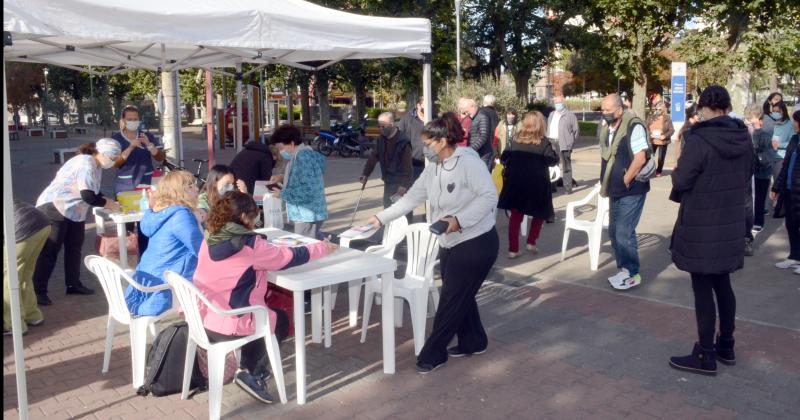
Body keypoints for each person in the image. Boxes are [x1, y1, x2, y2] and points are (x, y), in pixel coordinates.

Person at [366, 118, 499, 374]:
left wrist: (458, 220)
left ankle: (432, 354)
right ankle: (474, 341)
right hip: (449, 241)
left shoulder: (468, 163)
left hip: (477, 242)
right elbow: (413, 198)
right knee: (460, 294)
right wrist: (380, 218)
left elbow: (488, 197)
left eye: (428, 143)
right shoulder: (434, 166)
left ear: (443, 140)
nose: (424, 148)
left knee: (450, 299)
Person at [193, 191, 335, 403]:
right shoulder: (249, 245)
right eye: (253, 216)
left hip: (203, 318)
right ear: (243, 218)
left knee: (263, 313)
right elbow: (287, 257)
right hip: (231, 323)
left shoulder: (209, 237)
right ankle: (250, 371)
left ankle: (250, 364)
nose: (255, 221)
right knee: (279, 319)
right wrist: (323, 247)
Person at [668, 85, 753, 376]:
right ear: (727, 108)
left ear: (703, 107)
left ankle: (705, 354)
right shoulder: (744, 136)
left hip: (703, 225)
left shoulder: (699, 138)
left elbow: (680, 180)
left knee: (703, 287)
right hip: (730, 221)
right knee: (723, 284)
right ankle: (726, 344)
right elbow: (747, 174)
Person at [33, 139, 122, 305]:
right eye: (113, 157)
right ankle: (38, 290)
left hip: (74, 211)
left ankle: (73, 283)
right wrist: (109, 204)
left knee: (74, 248)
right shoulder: (85, 163)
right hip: (55, 206)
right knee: (51, 250)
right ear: (102, 153)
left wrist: (109, 201)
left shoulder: (97, 166)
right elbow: (88, 195)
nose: (115, 161)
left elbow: (95, 191)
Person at [124, 171, 203, 316]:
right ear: (179, 192)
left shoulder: (159, 213)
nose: (197, 189)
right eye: (191, 186)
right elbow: (202, 250)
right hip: (162, 292)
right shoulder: (181, 216)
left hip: (142, 288)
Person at [598, 94, 650, 291]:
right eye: (602, 110)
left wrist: (626, 178)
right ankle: (623, 269)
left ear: (619, 110)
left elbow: (640, 158)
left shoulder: (633, 126)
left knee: (624, 232)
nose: (605, 114)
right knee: (614, 231)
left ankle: (632, 271)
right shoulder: (608, 129)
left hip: (632, 189)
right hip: (614, 189)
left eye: (608, 110)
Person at [498, 111, 559, 258]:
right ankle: (531, 241)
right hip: (537, 184)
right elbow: (552, 160)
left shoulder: (515, 139)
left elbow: (504, 158)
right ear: (540, 125)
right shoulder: (544, 142)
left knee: (516, 216)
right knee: (540, 212)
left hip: (516, 182)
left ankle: (513, 249)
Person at [112, 105, 166, 256]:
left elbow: (160, 158)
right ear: (123, 120)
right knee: (127, 228)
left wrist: (149, 145)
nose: (133, 122)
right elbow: (115, 163)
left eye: (135, 119)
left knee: (146, 227)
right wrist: (130, 147)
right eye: (129, 119)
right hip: (125, 188)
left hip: (145, 186)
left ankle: (144, 259)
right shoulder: (116, 139)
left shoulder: (147, 136)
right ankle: (127, 260)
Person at [270, 125, 328, 239]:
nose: (281, 152)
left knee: (306, 248)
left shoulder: (302, 158)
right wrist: (282, 177)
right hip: (312, 213)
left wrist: (282, 194)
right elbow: (305, 178)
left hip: (307, 214)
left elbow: (307, 190)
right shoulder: (307, 153)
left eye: (281, 148)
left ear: (291, 143)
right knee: (314, 242)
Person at [4, 200, 51, 335]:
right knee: (25, 273)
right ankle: (32, 315)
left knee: (9, 278)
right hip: (42, 224)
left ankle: (14, 324)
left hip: (22, 230)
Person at [359, 112, 413, 211]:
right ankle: (387, 226)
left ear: (392, 124)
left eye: (383, 126)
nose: (380, 129)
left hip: (401, 183)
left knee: (403, 213)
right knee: (388, 210)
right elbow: (373, 157)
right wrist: (365, 174)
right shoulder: (381, 139)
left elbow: (408, 166)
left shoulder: (403, 141)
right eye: (379, 126)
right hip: (388, 181)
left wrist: (404, 185)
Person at [770, 110, 800, 274]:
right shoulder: (795, 139)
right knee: (791, 224)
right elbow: (786, 164)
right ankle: (794, 256)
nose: (793, 124)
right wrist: (776, 187)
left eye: (795, 121)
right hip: (789, 190)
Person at [744, 104, 773, 233]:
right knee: (750, 197)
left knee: (760, 197)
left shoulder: (766, 125)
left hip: (763, 167)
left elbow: (764, 144)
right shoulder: (747, 127)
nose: (749, 120)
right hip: (751, 168)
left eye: (751, 117)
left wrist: (757, 130)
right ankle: (750, 221)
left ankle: (758, 222)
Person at [547, 96, 580, 193]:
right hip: (552, 142)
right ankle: (552, 186)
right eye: (556, 102)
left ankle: (568, 187)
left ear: (563, 102)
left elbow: (576, 131)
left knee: (566, 166)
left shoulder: (570, 115)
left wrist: (570, 143)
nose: (557, 104)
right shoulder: (551, 114)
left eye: (559, 102)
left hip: (564, 144)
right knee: (553, 166)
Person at [397, 97, 427, 182]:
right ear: (418, 105)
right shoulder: (407, 119)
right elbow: (399, 137)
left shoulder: (434, 118)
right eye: (426, 104)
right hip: (414, 163)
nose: (428, 106)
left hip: (431, 163)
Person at [767, 99, 793, 189]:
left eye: (778, 111)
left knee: (778, 187)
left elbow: (792, 143)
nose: (775, 113)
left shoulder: (790, 125)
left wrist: (779, 145)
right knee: (768, 188)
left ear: (783, 111)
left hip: (780, 159)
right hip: (768, 159)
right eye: (773, 111)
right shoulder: (771, 123)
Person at [462, 98, 495, 170]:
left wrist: (470, 149)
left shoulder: (482, 116)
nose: (466, 114)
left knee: (482, 179)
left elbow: (483, 137)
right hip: (477, 154)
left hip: (484, 155)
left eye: (467, 111)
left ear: (472, 106)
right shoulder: (476, 117)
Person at [646, 101, 675, 177]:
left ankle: (659, 171)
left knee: (660, 158)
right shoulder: (651, 117)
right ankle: (649, 170)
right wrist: (650, 134)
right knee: (650, 157)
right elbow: (646, 127)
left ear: (662, 110)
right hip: (652, 140)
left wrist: (665, 136)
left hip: (663, 141)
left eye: (659, 109)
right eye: (655, 109)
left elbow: (672, 130)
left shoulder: (667, 118)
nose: (656, 111)